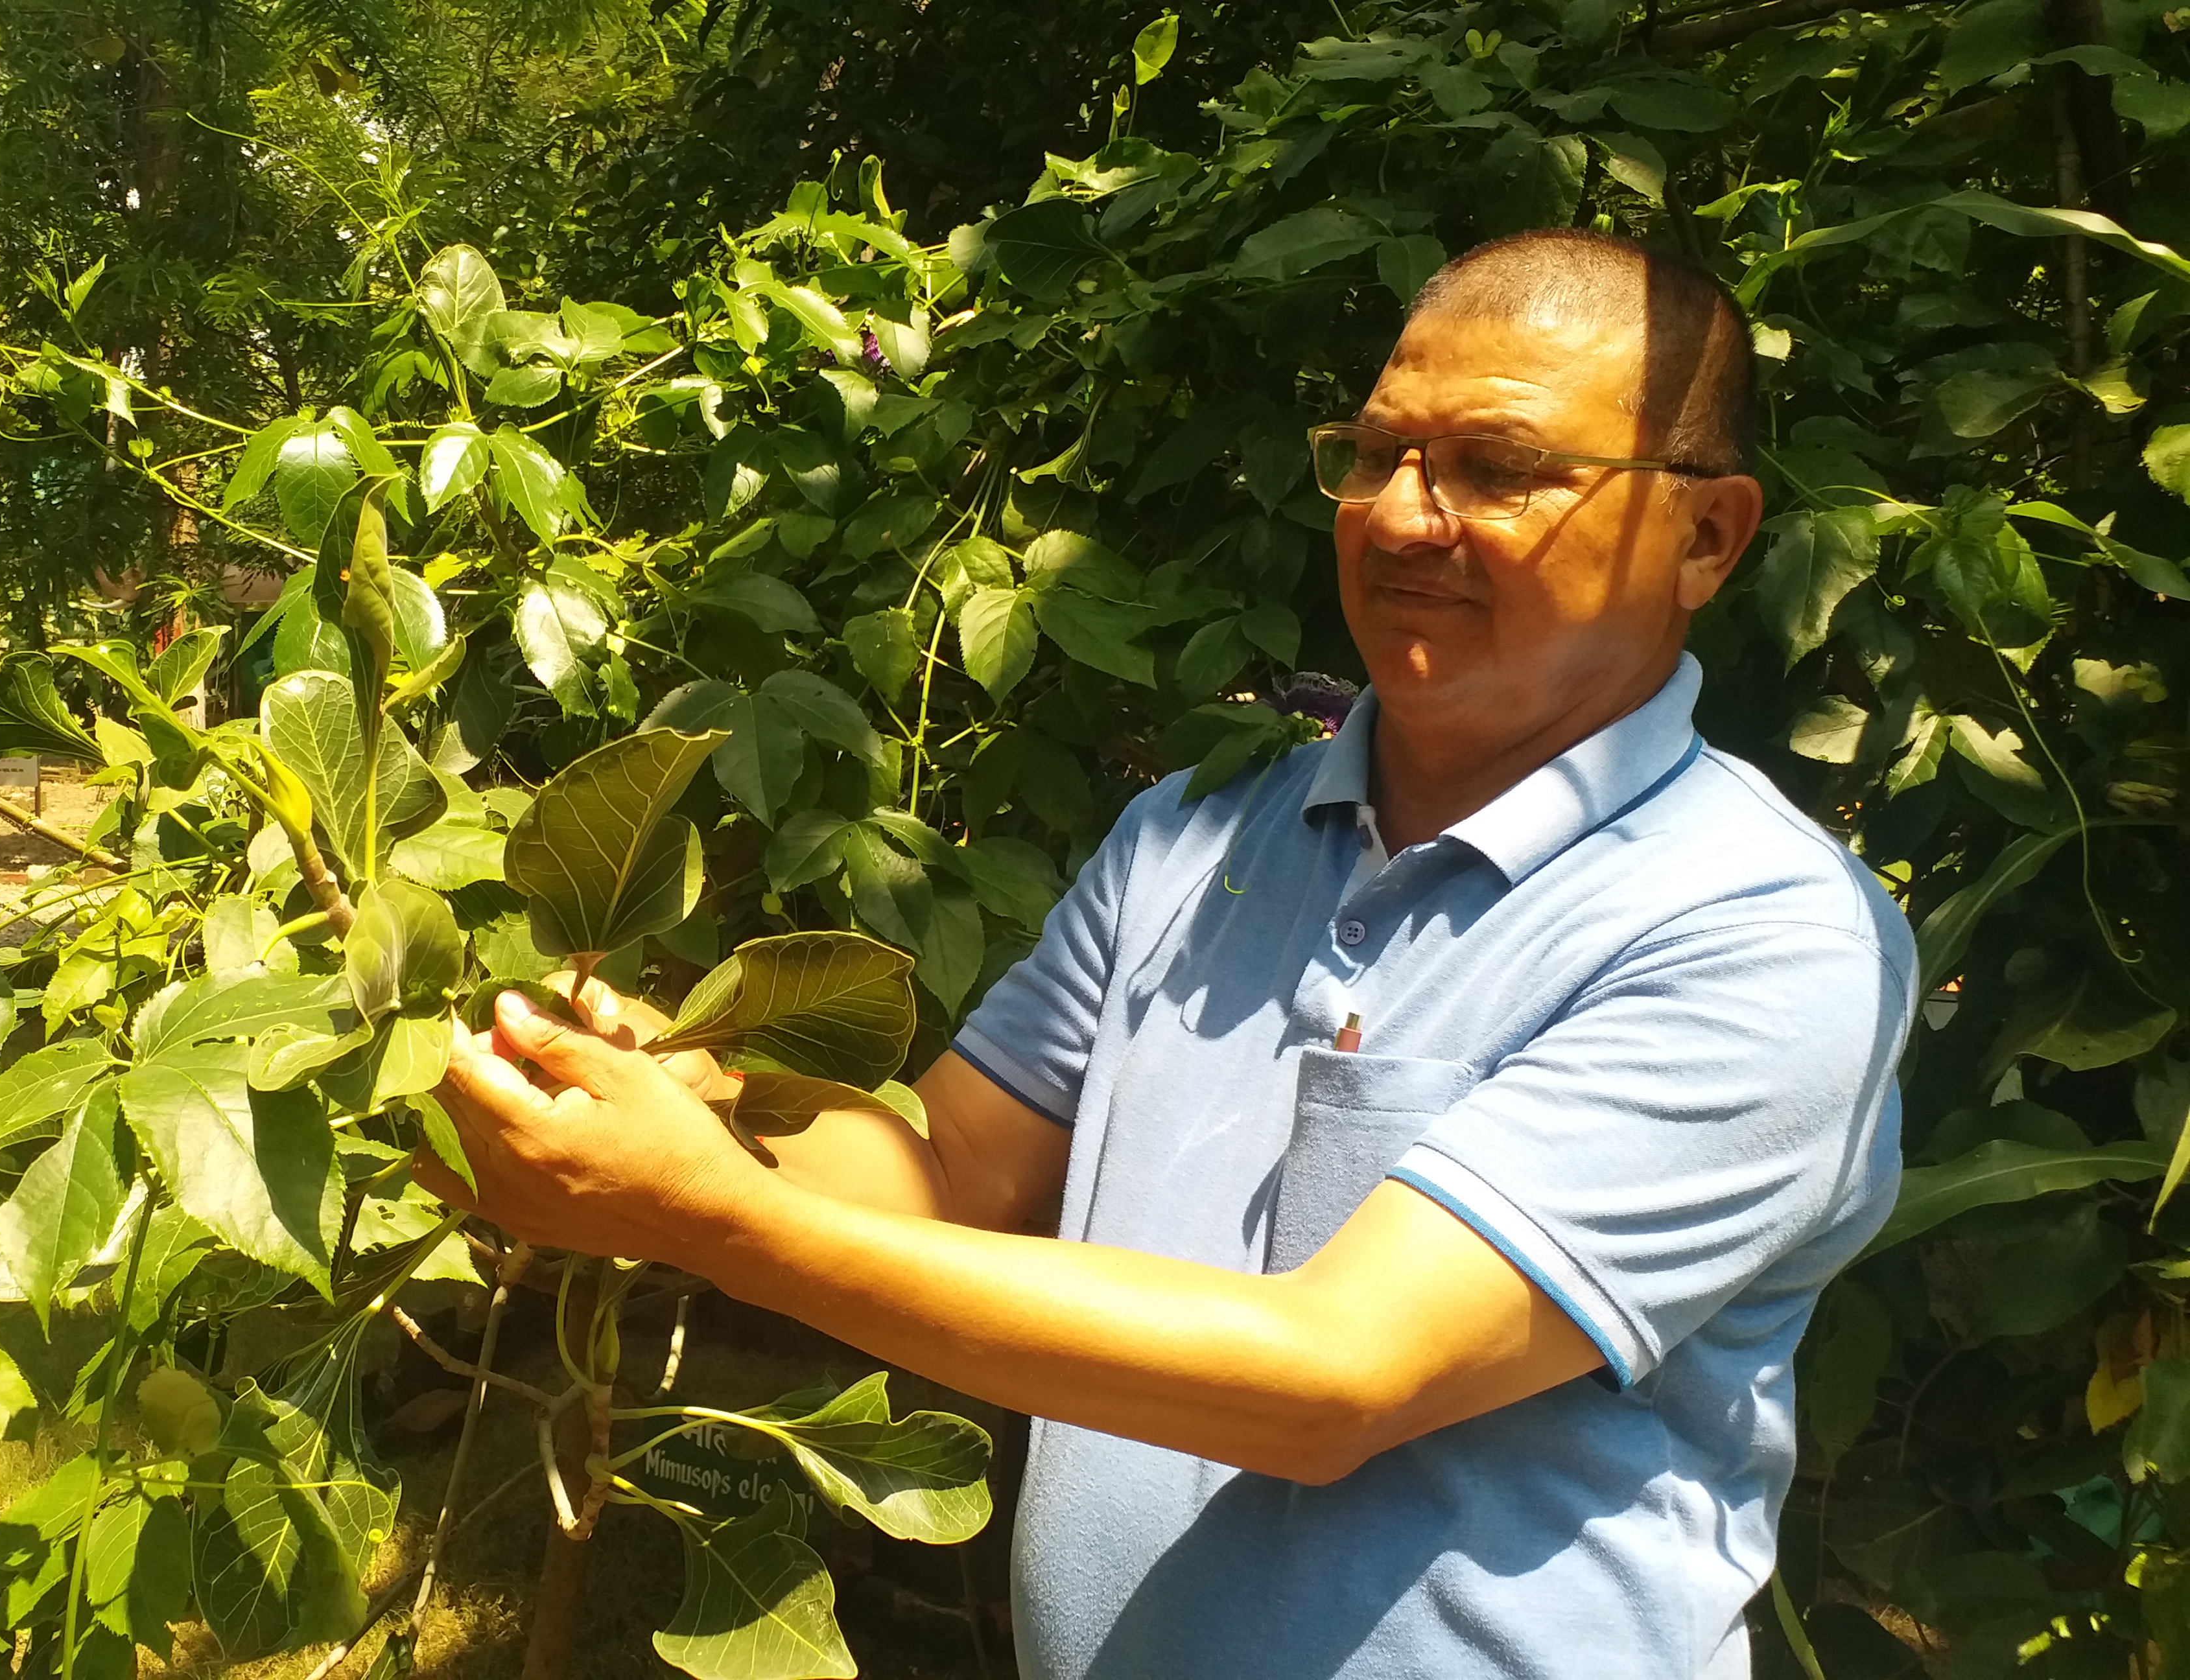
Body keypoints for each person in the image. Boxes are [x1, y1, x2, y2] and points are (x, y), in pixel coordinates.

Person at [428, 229, 1916, 1678]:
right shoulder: (1195, 834)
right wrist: (686, 1098)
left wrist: (706, 1219)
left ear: (1708, 534)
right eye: (1378, 452)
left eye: (1500, 467)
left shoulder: (1763, 933)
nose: (1403, 517)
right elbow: (947, 1176)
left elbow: (1335, 1379)